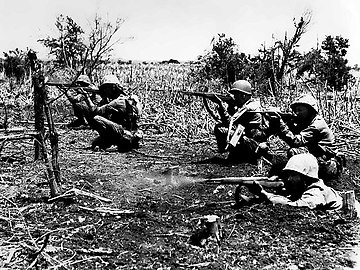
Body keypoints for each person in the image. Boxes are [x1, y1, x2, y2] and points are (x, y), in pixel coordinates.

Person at [260, 94, 344, 180]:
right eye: (295, 110)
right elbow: (291, 134)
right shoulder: (306, 121)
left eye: (300, 110)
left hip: (328, 164)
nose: (296, 113)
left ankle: (298, 179)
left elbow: (295, 141)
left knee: (294, 152)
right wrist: (275, 123)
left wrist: (281, 123)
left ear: (310, 110)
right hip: (319, 156)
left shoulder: (317, 125)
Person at [248, 153, 359, 213]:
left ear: (306, 176)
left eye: (293, 175)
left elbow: (295, 206)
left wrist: (265, 195)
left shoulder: (315, 192)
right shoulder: (308, 188)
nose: (288, 179)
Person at [82, 74, 143, 152]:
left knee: (96, 119)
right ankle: (120, 141)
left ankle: (119, 141)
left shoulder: (117, 102)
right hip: (126, 129)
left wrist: (87, 97)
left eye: (106, 88)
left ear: (113, 88)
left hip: (123, 131)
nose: (104, 91)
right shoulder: (123, 99)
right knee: (95, 143)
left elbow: (96, 111)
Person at [212, 80, 268, 164]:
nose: (234, 97)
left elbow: (230, 122)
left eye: (236, 95)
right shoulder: (250, 104)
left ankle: (238, 152)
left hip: (252, 143)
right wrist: (229, 106)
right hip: (247, 139)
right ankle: (235, 152)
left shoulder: (249, 108)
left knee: (219, 128)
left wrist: (221, 106)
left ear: (243, 96)